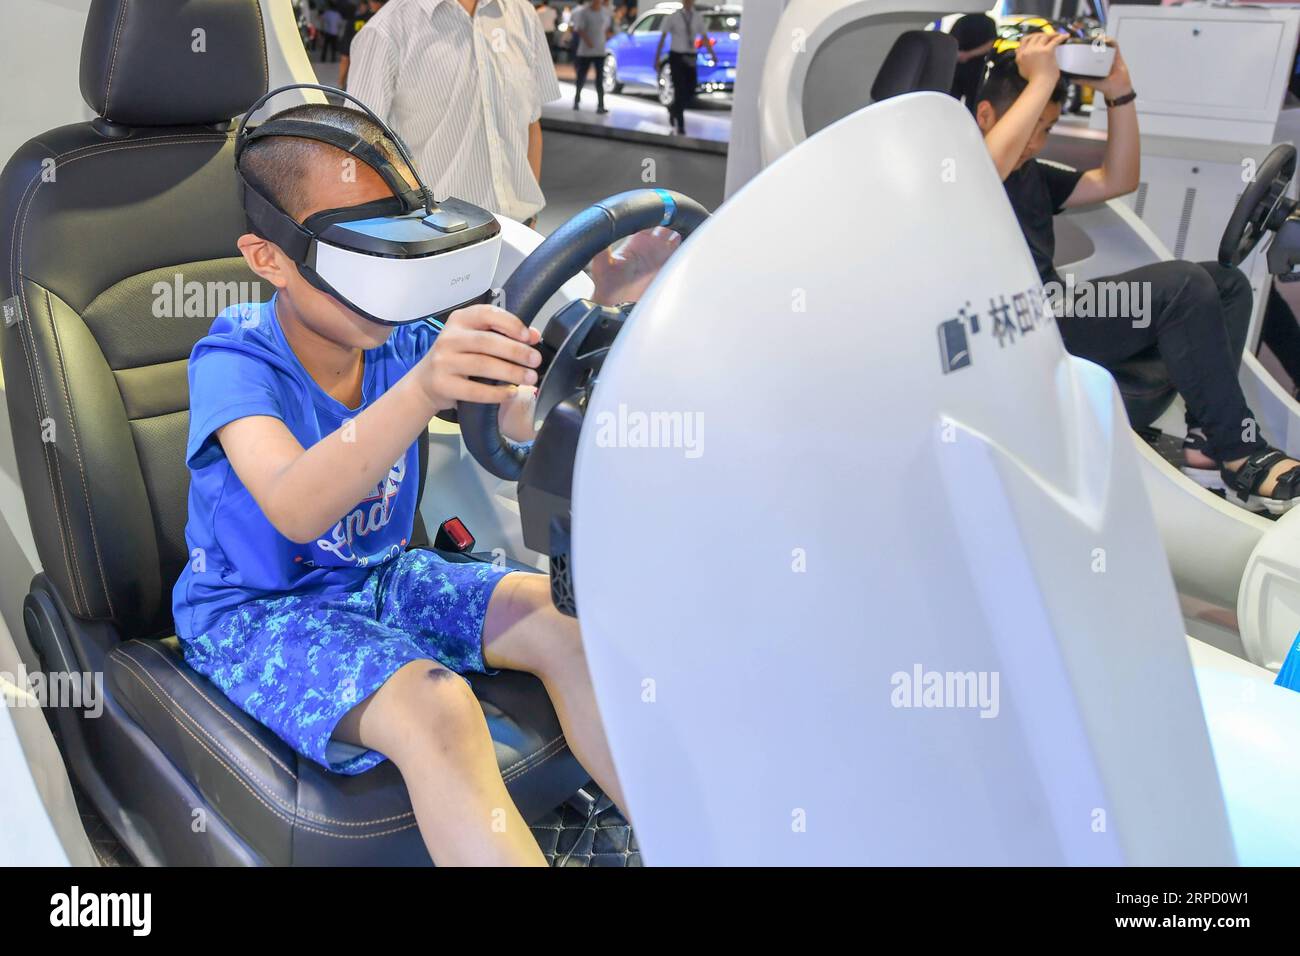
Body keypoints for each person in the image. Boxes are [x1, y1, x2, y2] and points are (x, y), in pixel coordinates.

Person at [175, 100, 683, 865]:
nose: (391, 279)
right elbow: (293, 504)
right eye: (361, 258)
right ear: (269, 258)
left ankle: (688, 840)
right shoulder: (236, 357)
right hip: (259, 611)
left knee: (563, 620)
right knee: (438, 708)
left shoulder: (401, 334)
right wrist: (418, 391)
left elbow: (515, 416)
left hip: (385, 577)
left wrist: (605, 314)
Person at [977, 33, 1300, 512]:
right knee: (1182, 284)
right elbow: (986, 168)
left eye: (1045, 128)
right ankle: (1240, 452)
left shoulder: (1029, 172)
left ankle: (1206, 448)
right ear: (985, 116)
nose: (1036, 141)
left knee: (1225, 284)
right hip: (1018, 325)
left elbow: (1118, 179)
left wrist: (1119, 93)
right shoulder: (961, 173)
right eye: (1031, 125)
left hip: (1061, 309)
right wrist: (1042, 79)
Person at [350, 0, 560, 228]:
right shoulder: (385, 31)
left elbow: (531, 124)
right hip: (439, 242)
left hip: (521, 235)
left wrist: (529, 216)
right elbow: (357, 154)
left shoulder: (523, 14)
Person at [655, 0, 714, 136]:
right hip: (677, 56)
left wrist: (712, 54)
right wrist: (657, 57)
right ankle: (680, 125)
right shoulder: (673, 17)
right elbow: (663, 36)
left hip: (691, 55)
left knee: (691, 88)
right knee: (679, 89)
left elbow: (704, 37)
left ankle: (674, 110)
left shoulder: (697, 17)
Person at [949, 13, 997, 114]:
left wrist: (960, 55)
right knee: (973, 104)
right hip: (975, 68)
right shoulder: (988, 22)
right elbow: (990, 45)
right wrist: (968, 55)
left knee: (952, 102)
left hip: (961, 67)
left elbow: (950, 40)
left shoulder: (961, 20)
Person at [571, 0, 614, 114]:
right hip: (586, 50)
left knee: (599, 79)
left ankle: (600, 105)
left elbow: (606, 28)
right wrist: (588, 41)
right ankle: (577, 100)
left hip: (599, 50)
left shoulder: (604, 12)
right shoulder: (584, 12)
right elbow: (579, 28)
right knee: (581, 77)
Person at [339, 0, 385, 89]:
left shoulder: (354, 22)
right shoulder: (388, 22)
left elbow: (345, 58)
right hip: (381, 80)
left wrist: (341, 82)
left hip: (357, 81)